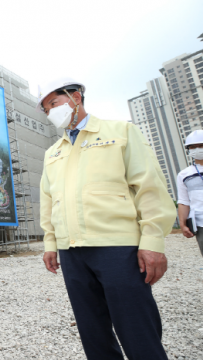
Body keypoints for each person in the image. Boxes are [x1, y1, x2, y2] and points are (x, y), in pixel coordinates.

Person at [38, 77, 176, 360]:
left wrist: (152, 241)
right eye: (45, 109)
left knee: (137, 329)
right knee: (94, 333)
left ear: (76, 96)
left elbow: (149, 187)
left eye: (54, 103)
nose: (51, 112)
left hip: (118, 248)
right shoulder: (52, 153)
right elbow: (48, 201)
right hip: (72, 253)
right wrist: (51, 243)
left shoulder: (120, 132)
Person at [177, 130, 203, 257]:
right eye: (193, 147)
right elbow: (183, 202)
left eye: (201, 145)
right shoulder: (184, 175)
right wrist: (182, 224)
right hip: (201, 224)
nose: (197, 149)